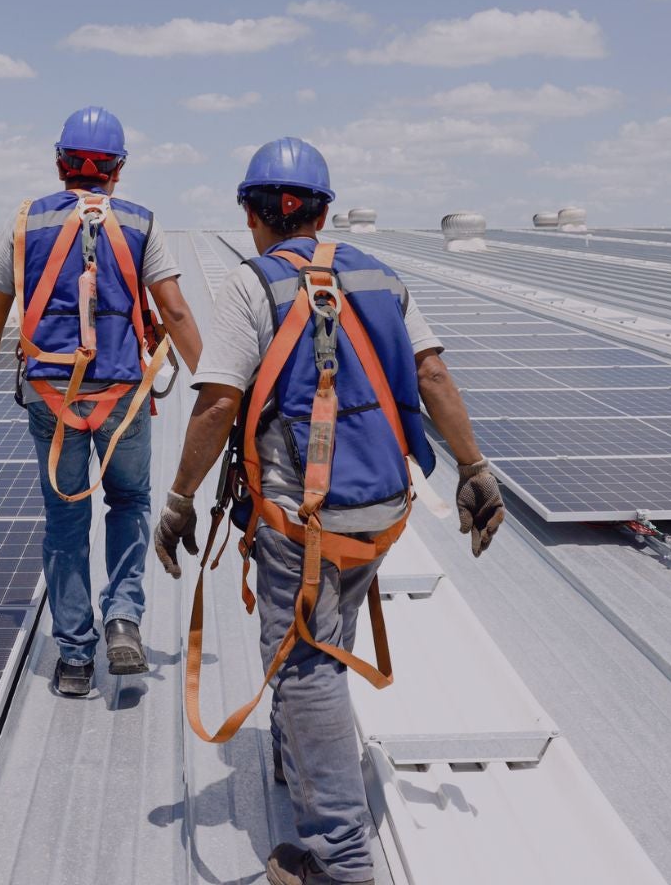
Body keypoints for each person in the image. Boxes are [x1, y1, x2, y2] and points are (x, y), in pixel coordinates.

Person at [152, 137, 505, 885]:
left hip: (299, 520)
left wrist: (180, 501)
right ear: (322, 210)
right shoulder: (381, 276)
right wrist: (474, 469)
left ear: (253, 214)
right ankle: (295, 759)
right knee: (322, 630)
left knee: (308, 665)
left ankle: (341, 860)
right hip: (376, 511)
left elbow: (218, 404)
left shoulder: (252, 286)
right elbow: (432, 372)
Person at [0, 105, 203, 698]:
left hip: (52, 394)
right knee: (128, 502)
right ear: (117, 170)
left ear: (60, 163)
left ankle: (73, 657)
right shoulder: (142, 224)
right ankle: (123, 617)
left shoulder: (25, 223)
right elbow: (173, 311)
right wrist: (217, 386)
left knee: (65, 517)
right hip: (121, 396)